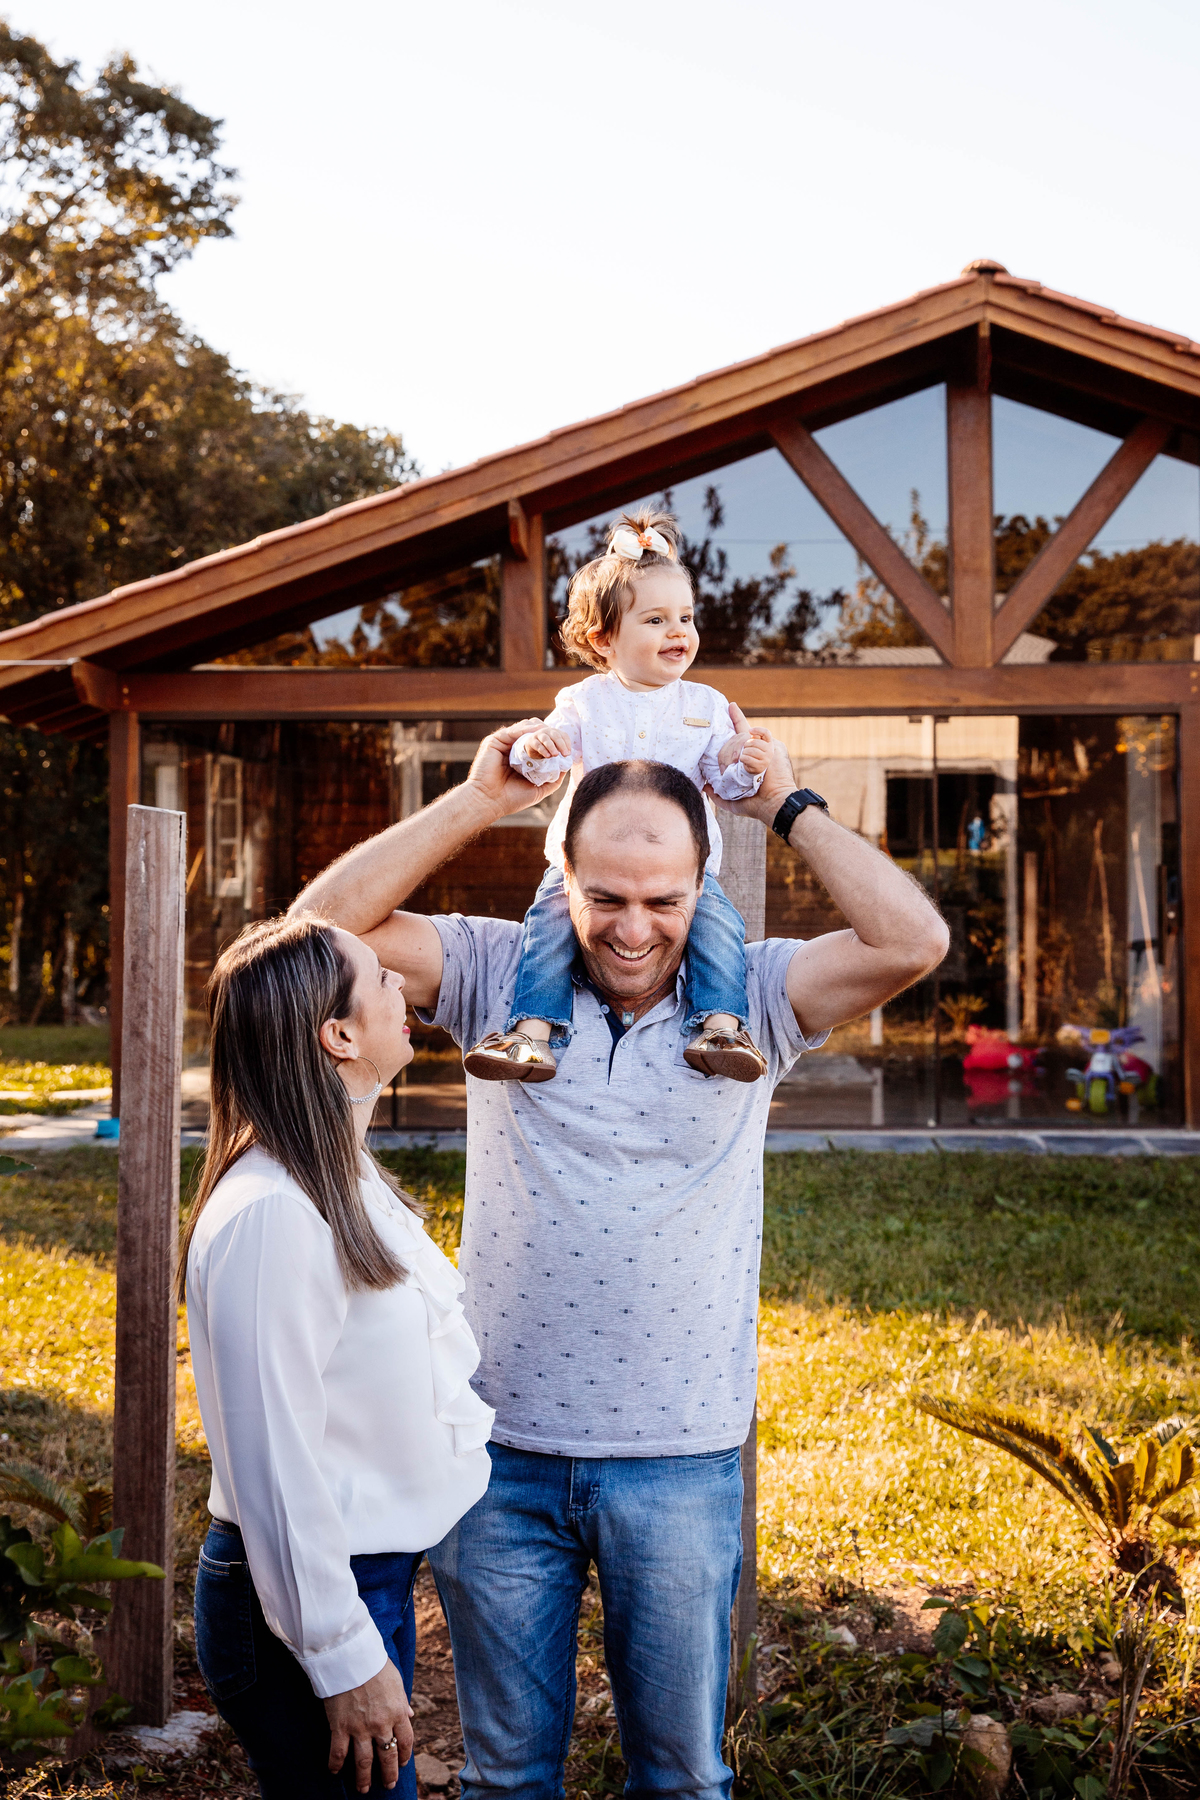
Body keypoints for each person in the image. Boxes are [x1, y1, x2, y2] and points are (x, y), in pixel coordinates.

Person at [296, 723, 948, 1800]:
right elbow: (316, 929)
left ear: (704, 885)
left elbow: (911, 940)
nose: (634, 928)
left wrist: (789, 806)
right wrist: (476, 801)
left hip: (680, 1462)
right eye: (606, 897)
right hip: (493, 1459)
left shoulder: (758, 1001)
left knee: (683, 1780)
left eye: (664, 898)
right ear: (563, 884)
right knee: (507, 1782)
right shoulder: (497, 971)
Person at [182, 912, 494, 1799]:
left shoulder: (342, 1179)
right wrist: (342, 1657)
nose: (405, 987)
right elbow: (274, 1465)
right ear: (339, 1034)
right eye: (381, 979)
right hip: (303, 1602)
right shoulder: (274, 1214)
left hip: (361, 1580)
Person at [464, 508, 773, 1087]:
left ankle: (721, 1027)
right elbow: (545, 765)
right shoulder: (584, 700)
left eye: (685, 616)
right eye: (656, 619)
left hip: (679, 868)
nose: (678, 631)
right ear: (603, 638)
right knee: (549, 925)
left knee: (718, 927)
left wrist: (741, 762)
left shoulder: (705, 704)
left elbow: (723, 783)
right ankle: (532, 1033)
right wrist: (539, 745)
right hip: (586, 867)